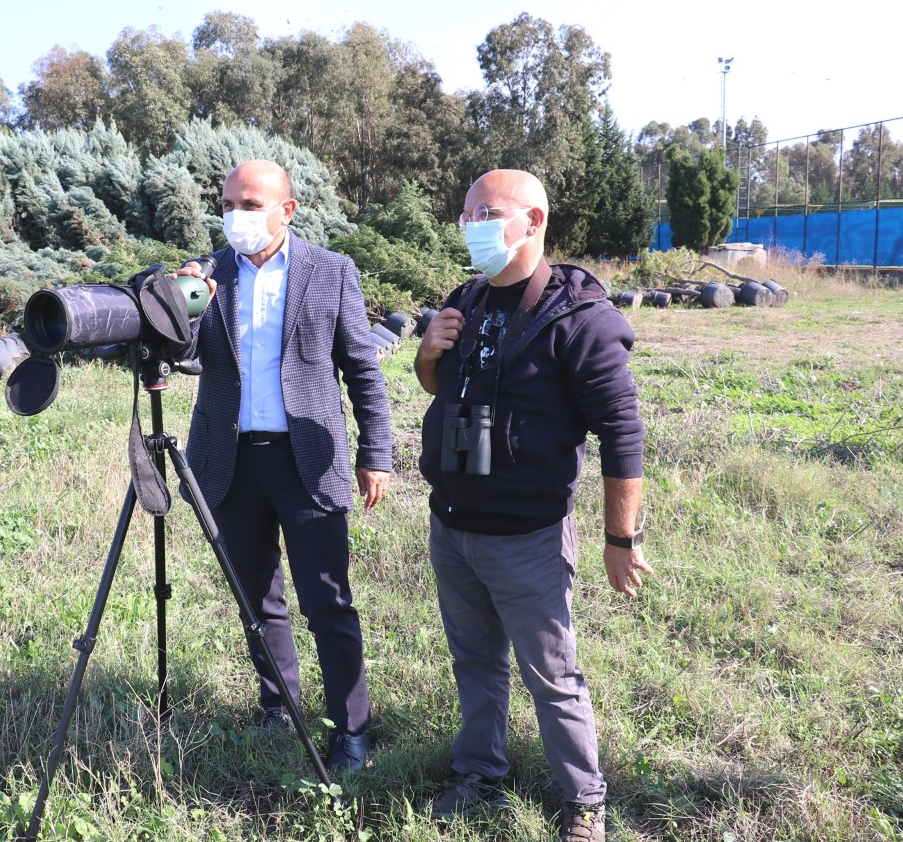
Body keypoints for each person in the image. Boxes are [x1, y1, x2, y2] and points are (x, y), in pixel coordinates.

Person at [414, 169, 652, 842]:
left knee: (553, 676)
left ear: (534, 220)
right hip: (452, 524)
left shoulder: (579, 318)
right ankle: (478, 771)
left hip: (528, 537)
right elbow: (439, 386)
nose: (470, 225)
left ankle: (583, 800)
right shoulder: (465, 300)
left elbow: (623, 433)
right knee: (475, 661)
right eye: (464, 212)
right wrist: (428, 355)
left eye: (486, 211)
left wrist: (620, 537)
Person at [174, 159, 393, 772]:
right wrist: (182, 304)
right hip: (230, 459)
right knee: (257, 600)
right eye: (229, 204)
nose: (236, 216)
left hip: (307, 461)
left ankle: (351, 729)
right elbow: (180, 356)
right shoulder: (210, 272)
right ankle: (280, 709)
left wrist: (377, 453)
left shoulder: (331, 271)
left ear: (286, 210)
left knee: (328, 603)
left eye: (250, 204)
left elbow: (362, 369)